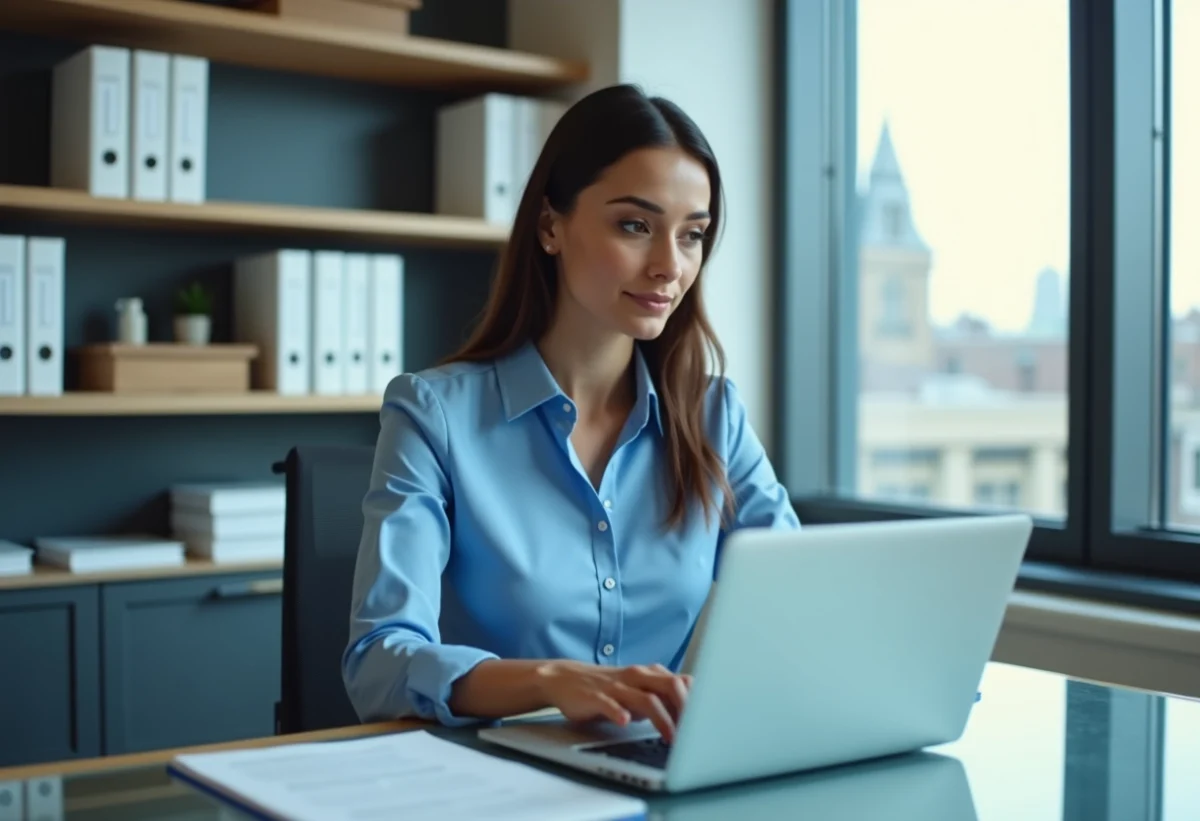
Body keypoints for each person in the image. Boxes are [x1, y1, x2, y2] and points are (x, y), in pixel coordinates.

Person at [342, 83, 800, 744]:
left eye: (693, 235)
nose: (671, 265)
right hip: (497, 781)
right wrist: (550, 679)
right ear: (551, 225)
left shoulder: (713, 417)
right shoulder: (433, 415)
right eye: (635, 225)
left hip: (668, 774)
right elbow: (379, 663)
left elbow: (802, 607)